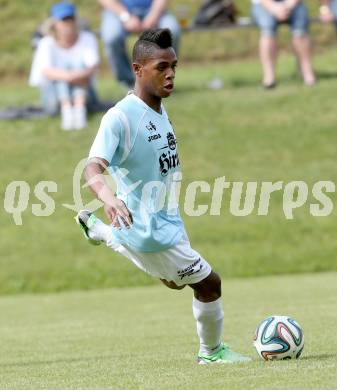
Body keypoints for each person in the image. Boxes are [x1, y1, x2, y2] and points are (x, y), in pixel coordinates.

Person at [75, 28, 251, 364]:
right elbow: (92, 168)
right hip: (149, 230)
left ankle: (102, 233)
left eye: (174, 66)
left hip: (166, 219)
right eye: (161, 67)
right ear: (138, 70)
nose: (170, 74)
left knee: (174, 283)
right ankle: (211, 353)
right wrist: (109, 198)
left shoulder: (157, 108)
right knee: (209, 284)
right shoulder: (120, 117)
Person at [29, 2, 100, 130]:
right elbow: (46, 71)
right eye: (63, 20)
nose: (67, 24)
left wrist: (75, 75)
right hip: (54, 91)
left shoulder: (87, 38)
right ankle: (67, 108)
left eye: (70, 19)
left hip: (83, 87)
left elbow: (92, 67)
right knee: (62, 72)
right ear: (54, 23)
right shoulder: (46, 43)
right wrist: (69, 76)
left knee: (76, 66)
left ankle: (78, 109)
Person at [98, 0, 181, 87]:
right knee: (112, 37)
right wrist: (126, 17)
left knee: (172, 31)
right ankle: (130, 83)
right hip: (118, 11)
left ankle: (162, 78)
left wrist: (154, 15)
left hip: (155, 9)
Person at [251, 0, 316, 88]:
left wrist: (288, 5)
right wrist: (274, 8)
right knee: (268, 30)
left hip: (293, 3)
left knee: (300, 31)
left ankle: (308, 73)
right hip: (264, 4)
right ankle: (269, 77)